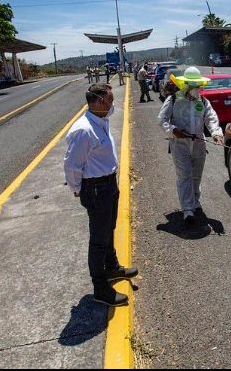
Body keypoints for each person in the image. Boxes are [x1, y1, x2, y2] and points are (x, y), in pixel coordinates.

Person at [63, 83, 138, 307]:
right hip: (95, 189)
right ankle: (100, 287)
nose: (112, 105)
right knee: (98, 239)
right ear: (98, 101)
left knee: (109, 230)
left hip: (108, 184)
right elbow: (72, 165)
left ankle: (112, 267)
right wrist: (77, 189)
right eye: (110, 101)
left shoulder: (100, 122)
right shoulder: (83, 130)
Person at [157, 67, 223, 224]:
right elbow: (162, 120)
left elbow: (211, 118)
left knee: (196, 175)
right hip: (179, 144)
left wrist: (216, 133)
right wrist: (173, 130)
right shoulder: (173, 100)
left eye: (197, 86)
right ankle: (187, 209)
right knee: (184, 175)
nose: (196, 89)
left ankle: (195, 200)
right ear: (185, 85)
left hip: (199, 143)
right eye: (193, 86)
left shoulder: (203, 101)